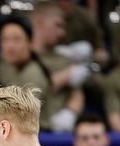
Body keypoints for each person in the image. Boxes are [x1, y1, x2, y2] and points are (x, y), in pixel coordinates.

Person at [28, 2, 87, 132]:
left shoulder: (63, 58)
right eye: (57, 25)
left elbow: (77, 93)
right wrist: (63, 77)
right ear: (39, 22)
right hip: (30, 132)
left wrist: (70, 112)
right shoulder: (20, 57)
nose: (62, 33)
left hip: (60, 135)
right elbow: (24, 93)